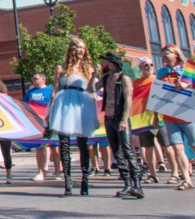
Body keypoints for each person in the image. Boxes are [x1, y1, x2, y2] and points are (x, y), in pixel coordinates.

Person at [48, 37, 99, 196]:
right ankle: (68, 180)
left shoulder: (88, 69)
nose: (81, 51)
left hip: (81, 105)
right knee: (64, 144)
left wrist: (96, 77)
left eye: (83, 48)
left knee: (83, 144)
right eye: (78, 47)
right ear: (71, 49)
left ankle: (85, 180)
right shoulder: (61, 68)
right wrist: (49, 111)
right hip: (63, 104)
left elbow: (92, 89)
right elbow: (55, 90)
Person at [157, 44, 195, 190]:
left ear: (176, 54)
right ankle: (187, 180)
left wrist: (187, 85)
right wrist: (157, 115)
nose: (163, 55)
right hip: (169, 115)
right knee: (177, 148)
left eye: (167, 52)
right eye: (162, 53)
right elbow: (157, 94)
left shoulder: (188, 70)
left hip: (188, 113)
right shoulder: (161, 72)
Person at [100, 52, 141, 199]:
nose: (102, 64)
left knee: (128, 150)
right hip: (108, 118)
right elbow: (91, 88)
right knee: (116, 152)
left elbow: (128, 100)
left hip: (120, 118)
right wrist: (92, 75)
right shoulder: (106, 78)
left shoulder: (124, 78)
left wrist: (124, 119)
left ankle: (137, 184)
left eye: (104, 61)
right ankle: (127, 183)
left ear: (111, 63)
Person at [132, 57, 174, 184]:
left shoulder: (158, 80)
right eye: (145, 65)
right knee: (148, 147)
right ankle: (152, 174)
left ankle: (175, 173)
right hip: (143, 120)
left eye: (151, 64)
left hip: (160, 118)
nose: (148, 67)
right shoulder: (136, 83)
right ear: (140, 68)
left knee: (167, 146)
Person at [24, 73, 54, 181]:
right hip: (34, 122)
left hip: (47, 121)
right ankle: (40, 171)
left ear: (43, 79)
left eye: (36, 78)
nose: (34, 80)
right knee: (38, 146)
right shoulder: (30, 92)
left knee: (48, 145)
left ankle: (49, 167)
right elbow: (25, 105)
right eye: (33, 78)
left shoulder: (50, 90)